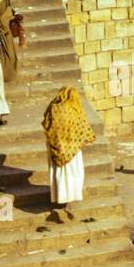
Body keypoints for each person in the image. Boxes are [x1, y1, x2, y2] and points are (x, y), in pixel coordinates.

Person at [41, 86, 96, 223]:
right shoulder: (74, 109)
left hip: (56, 148)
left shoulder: (53, 108)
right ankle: (69, 204)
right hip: (72, 150)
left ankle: (60, 199)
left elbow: (46, 123)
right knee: (73, 174)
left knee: (59, 174)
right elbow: (83, 129)